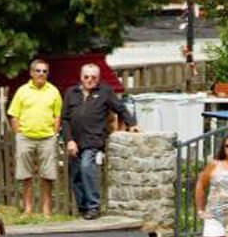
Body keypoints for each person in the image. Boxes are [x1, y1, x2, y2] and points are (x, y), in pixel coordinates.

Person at [60, 63, 138, 220]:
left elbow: (120, 108)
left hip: (93, 140)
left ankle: (93, 206)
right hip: (75, 141)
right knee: (76, 175)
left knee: (87, 168)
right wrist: (69, 140)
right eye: (86, 77)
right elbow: (65, 119)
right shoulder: (71, 92)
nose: (89, 80)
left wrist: (132, 124)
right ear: (81, 77)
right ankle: (83, 208)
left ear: (98, 78)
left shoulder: (105, 91)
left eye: (93, 77)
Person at [7, 59, 63, 217]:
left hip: (47, 138)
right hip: (26, 138)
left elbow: (57, 115)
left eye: (44, 71)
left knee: (48, 175)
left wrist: (54, 132)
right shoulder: (22, 91)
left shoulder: (53, 91)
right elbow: (13, 115)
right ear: (31, 73)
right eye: (38, 71)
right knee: (26, 175)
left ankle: (46, 210)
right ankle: (28, 209)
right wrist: (18, 134)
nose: (41, 74)